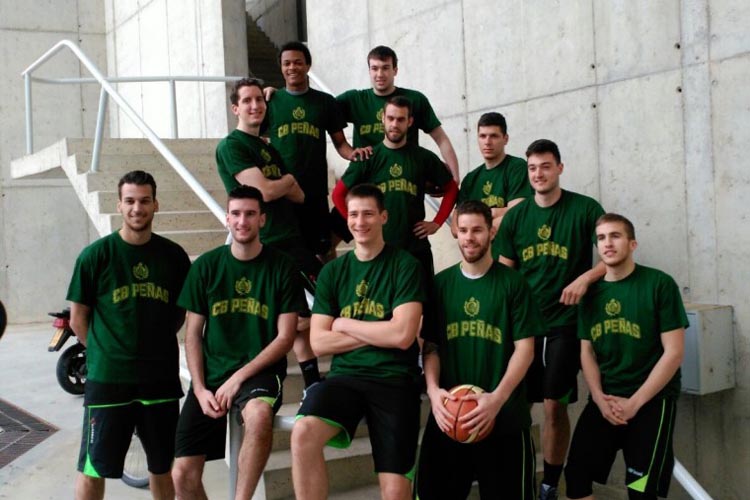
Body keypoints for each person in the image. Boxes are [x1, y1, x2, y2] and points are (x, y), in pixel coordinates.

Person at [291, 183, 426, 500]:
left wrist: (344, 324)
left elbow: (403, 336)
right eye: (353, 215)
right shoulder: (333, 272)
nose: (360, 222)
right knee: (303, 432)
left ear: (383, 217)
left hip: (394, 380)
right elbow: (319, 342)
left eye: (368, 214)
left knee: (395, 492)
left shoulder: (405, 266)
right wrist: (381, 331)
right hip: (345, 378)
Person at [172, 185, 303, 499]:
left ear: (262, 220)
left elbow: (285, 337)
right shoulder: (206, 267)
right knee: (182, 475)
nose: (242, 221)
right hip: (212, 373)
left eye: (250, 214)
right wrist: (199, 388)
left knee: (258, 417)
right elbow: (192, 334)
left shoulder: (282, 267)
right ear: (227, 219)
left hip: (260, 372)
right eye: (236, 214)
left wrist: (238, 378)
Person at [66, 170, 191, 500]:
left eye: (145, 201)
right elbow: (78, 320)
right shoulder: (95, 256)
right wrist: (106, 351)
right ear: (119, 205)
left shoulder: (174, 256)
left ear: (156, 205)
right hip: (109, 381)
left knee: (162, 468)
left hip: (160, 380)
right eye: (130, 201)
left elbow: (180, 313)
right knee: (93, 469)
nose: (138, 208)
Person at [494, 139, 606, 500]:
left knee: (555, 405)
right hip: (525, 327)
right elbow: (504, 273)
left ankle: (549, 484)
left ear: (559, 168)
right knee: (515, 405)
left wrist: (586, 277)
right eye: (532, 168)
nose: (538, 174)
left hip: (564, 324)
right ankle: (515, 476)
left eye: (545, 166)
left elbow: (613, 254)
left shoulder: (585, 209)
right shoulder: (516, 217)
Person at [416, 200, 542, 499]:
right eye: (463, 230)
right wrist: (433, 392)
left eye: (477, 230)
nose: (469, 237)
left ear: (491, 233)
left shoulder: (514, 284)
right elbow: (431, 347)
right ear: (455, 233)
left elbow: (525, 349)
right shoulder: (440, 284)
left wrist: (497, 399)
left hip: (504, 416)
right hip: (449, 415)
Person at [564, 213, 687, 500]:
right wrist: (597, 397)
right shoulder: (591, 294)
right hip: (606, 398)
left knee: (640, 489)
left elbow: (674, 352)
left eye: (615, 236)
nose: (607, 243)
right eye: (602, 238)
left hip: (651, 400)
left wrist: (635, 403)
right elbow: (586, 351)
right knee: (576, 476)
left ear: (632, 244)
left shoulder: (659, 284)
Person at [216, 77, 322, 393]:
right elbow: (264, 191)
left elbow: (300, 196)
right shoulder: (232, 146)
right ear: (235, 108)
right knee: (320, 309)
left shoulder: (268, 148)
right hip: (272, 242)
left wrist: (284, 186)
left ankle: (312, 385)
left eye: (259, 100)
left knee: (305, 313)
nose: (255, 106)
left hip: (293, 239)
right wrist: (286, 182)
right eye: (246, 101)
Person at [264, 41, 369, 259]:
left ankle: (328, 282)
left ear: (308, 65)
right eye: (286, 63)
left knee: (323, 250)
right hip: (282, 191)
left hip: (314, 190)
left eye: (297, 62)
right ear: (281, 67)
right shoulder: (271, 102)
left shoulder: (325, 102)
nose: (292, 67)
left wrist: (353, 154)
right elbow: (258, 138)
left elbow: (340, 143)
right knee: (284, 252)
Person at [331, 96, 458, 276]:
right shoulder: (368, 157)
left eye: (400, 119)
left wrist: (437, 222)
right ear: (383, 118)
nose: (394, 124)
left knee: (423, 294)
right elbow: (338, 195)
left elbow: (451, 188)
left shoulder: (423, 157)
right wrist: (356, 225)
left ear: (409, 122)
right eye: (390, 118)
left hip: (416, 248)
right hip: (379, 249)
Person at [336, 45, 459, 181]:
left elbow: (441, 138)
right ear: (369, 71)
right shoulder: (354, 100)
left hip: (406, 181)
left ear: (395, 70)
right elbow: (326, 115)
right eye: (375, 68)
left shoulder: (415, 99)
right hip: (365, 183)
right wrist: (349, 152)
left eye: (385, 68)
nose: (380, 74)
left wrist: (455, 177)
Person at [453, 112, 531, 241]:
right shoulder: (470, 179)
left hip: (512, 249)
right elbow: (455, 227)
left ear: (505, 139)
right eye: (483, 136)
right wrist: (495, 212)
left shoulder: (517, 167)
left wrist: (476, 225)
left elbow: (519, 212)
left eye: (494, 136)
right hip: (480, 252)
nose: (487, 142)